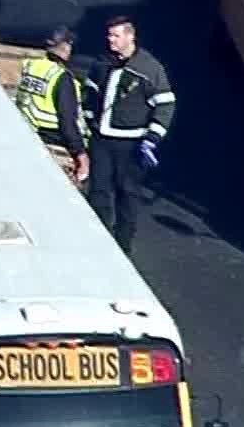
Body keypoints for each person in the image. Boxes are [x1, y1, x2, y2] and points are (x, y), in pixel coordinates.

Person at [56, 15, 174, 254]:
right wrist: (90, 119)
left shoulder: (149, 69)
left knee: (127, 195)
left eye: (116, 36)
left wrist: (152, 139)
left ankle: (122, 247)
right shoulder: (102, 64)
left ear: (130, 37)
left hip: (130, 145)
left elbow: (165, 104)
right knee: (98, 192)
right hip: (102, 141)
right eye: (109, 36)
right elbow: (90, 92)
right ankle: (99, 243)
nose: (111, 40)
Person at [14, 26, 79, 144]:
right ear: (64, 45)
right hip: (51, 136)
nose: (70, 48)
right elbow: (67, 120)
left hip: (25, 129)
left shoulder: (31, 65)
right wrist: (79, 150)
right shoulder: (61, 76)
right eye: (69, 43)